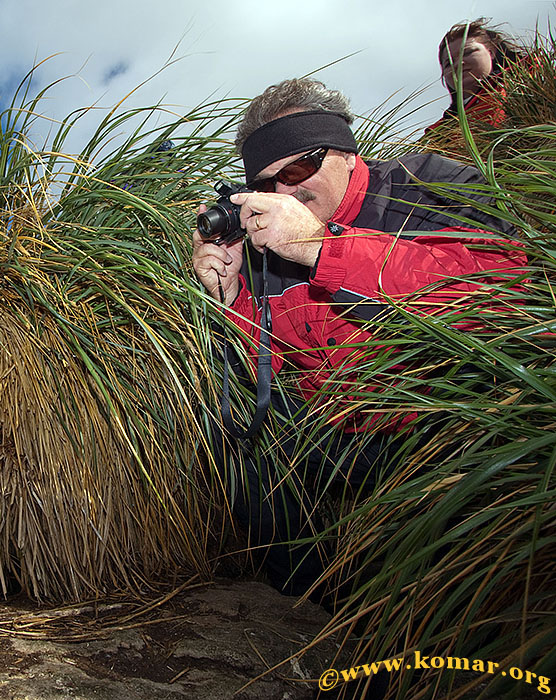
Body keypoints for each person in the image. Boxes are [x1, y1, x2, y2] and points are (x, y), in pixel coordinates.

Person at [192, 78, 525, 598]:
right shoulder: (264, 244)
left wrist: (323, 249)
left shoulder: (430, 183)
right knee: (227, 418)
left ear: (347, 152)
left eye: (301, 168)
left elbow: (507, 292)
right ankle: (309, 599)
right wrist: (231, 294)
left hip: (443, 429)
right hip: (339, 429)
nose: (286, 192)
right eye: (267, 181)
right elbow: (268, 372)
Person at [426, 18, 524, 132]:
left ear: (491, 52)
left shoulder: (526, 87)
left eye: (467, 53)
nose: (458, 64)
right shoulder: (438, 132)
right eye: (448, 63)